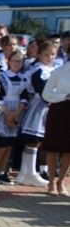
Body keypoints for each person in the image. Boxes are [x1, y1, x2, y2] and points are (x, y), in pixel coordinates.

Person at [15, 41, 58, 187]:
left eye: (52, 54)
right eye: (46, 54)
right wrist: (55, 98)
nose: (49, 57)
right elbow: (42, 90)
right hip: (40, 107)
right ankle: (29, 173)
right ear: (39, 55)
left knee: (36, 142)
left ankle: (25, 173)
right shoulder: (38, 70)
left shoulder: (52, 69)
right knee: (34, 140)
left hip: (47, 107)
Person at [0, 50, 28, 185]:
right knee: (1, 144)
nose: (17, 63)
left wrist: (15, 114)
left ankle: (2, 172)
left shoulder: (24, 78)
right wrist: (7, 115)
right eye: (14, 60)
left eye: (20, 61)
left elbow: (25, 98)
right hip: (2, 112)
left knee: (10, 145)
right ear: (8, 61)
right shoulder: (2, 76)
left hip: (16, 112)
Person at [41, 58, 70, 195]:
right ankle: (51, 181)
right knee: (52, 148)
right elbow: (46, 93)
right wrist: (65, 96)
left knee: (68, 151)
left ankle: (61, 182)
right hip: (59, 111)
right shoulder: (59, 71)